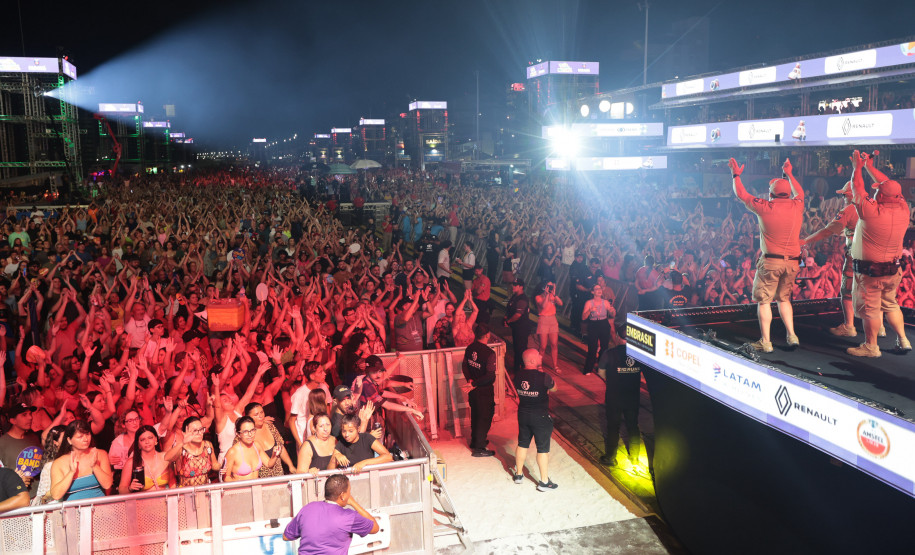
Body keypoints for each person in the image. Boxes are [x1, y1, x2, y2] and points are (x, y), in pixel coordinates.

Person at [729, 157, 804, 352]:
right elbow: (800, 193)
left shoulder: (765, 207)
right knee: (784, 299)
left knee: (764, 300)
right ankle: (792, 335)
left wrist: (736, 174)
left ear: (770, 194)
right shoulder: (798, 206)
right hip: (793, 262)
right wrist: (789, 174)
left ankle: (766, 342)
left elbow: (742, 194)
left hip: (771, 262)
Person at [845, 151, 912, 357]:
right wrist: (869, 167)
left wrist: (858, 167)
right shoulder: (904, 208)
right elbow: (889, 186)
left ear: (880, 195)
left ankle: (871, 346)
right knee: (890, 304)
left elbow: (857, 187)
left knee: (871, 310)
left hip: (871, 271)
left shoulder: (870, 211)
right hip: (893, 270)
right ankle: (903, 339)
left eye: (878, 192)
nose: (875, 193)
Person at [802, 180, 860, 336]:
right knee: (872, 293)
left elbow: (828, 231)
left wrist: (806, 240)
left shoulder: (849, 209)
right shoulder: (874, 206)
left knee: (847, 292)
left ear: (850, 195)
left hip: (855, 257)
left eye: (845, 196)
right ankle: (879, 326)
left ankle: (849, 326)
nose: (843, 199)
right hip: (875, 257)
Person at [282, 473, 379, 554]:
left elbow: (286, 536)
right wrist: (353, 503)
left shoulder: (308, 508)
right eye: (349, 491)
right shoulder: (349, 516)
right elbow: (375, 527)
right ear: (342, 496)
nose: (350, 494)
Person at [510, 349, 557, 491]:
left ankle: (518, 474)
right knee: (542, 449)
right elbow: (554, 389)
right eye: (538, 355)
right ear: (531, 361)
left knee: (522, 444)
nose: (541, 356)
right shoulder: (544, 377)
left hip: (523, 414)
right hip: (540, 417)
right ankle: (544, 482)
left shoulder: (517, 376)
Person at [598, 339, 644, 468]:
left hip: (614, 396)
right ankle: (635, 456)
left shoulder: (609, 353)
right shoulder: (638, 353)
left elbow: (601, 372)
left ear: (617, 336)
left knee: (613, 426)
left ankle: (610, 457)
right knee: (633, 425)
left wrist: (613, 378)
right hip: (632, 396)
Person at [49, 420, 113, 501]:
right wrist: (71, 472)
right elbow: (56, 495)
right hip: (73, 511)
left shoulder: (100, 454)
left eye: (88, 434)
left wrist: (95, 466)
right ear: (69, 440)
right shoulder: (59, 463)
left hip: (99, 508)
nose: (86, 439)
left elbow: (107, 485)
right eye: (80, 437)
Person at [461, 323, 497, 457]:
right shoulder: (490, 353)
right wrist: (475, 383)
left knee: (475, 413)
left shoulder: (470, 348)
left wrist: (470, 381)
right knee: (485, 416)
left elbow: (464, 366)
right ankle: (479, 448)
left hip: (473, 389)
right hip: (483, 390)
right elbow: (490, 376)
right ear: (487, 335)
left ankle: (475, 440)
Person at [0, 403, 42, 498]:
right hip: (19, 499)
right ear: (12, 420)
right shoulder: (2, 443)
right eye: (24, 415)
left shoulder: (33, 438)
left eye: (30, 414)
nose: (30, 418)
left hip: (40, 495)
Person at [119, 425, 175, 493]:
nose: (147, 442)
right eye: (143, 439)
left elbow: (173, 484)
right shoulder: (131, 463)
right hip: (142, 502)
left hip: (165, 501)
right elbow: (121, 490)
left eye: (150, 438)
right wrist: (130, 488)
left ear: (156, 439)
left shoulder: (166, 457)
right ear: (138, 444)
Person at [165, 417, 219, 487]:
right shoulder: (181, 449)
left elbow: (215, 465)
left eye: (201, 429)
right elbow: (166, 458)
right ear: (185, 433)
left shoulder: (208, 445)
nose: (199, 433)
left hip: (205, 490)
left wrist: (222, 466)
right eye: (195, 431)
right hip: (186, 493)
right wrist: (182, 443)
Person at [223, 416, 281, 482]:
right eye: (245, 432)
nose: (250, 434)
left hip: (256, 488)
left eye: (252, 430)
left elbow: (269, 464)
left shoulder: (256, 445)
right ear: (238, 434)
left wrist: (274, 455)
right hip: (241, 490)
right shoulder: (232, 452)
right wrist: (240, 486)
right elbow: (226, 478)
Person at [582, 283, 616, 376]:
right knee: (592, 348)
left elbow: (612, 314)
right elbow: (583, 317)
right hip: (593, 324)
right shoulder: (589, 303)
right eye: (596, 289)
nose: (599, 290)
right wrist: (590, 311)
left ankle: (601, 369)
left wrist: (613, 311)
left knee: (604, 348)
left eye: (600, 288)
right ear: (593, 292)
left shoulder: (605, 302)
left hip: (604, 324)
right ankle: (588, 369)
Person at [503, 278, 530, 374]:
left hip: (522, 328)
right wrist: (506, 318)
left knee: (521, 349)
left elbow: (518, 315)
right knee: (516, 348)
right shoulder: (515, 296)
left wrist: (509, 321)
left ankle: (522, 369)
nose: (513, 286)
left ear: (521, 287)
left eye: (515, 285)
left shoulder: (522, 299)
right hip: (516, 327)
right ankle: (517, 367)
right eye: (513, 284)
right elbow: (509, 308)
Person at [534, 282, 563, 372]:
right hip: (543, 320)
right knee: (543, 346)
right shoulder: (538, 297)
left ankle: (555, 365)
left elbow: (561, 303)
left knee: (554, 344)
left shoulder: (552, 295)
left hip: (553, 320)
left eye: (551, 286)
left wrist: (554, 294)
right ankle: (539, 365)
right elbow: (543, 306)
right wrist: (546, 295)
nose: (549, 288)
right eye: (548, 286)